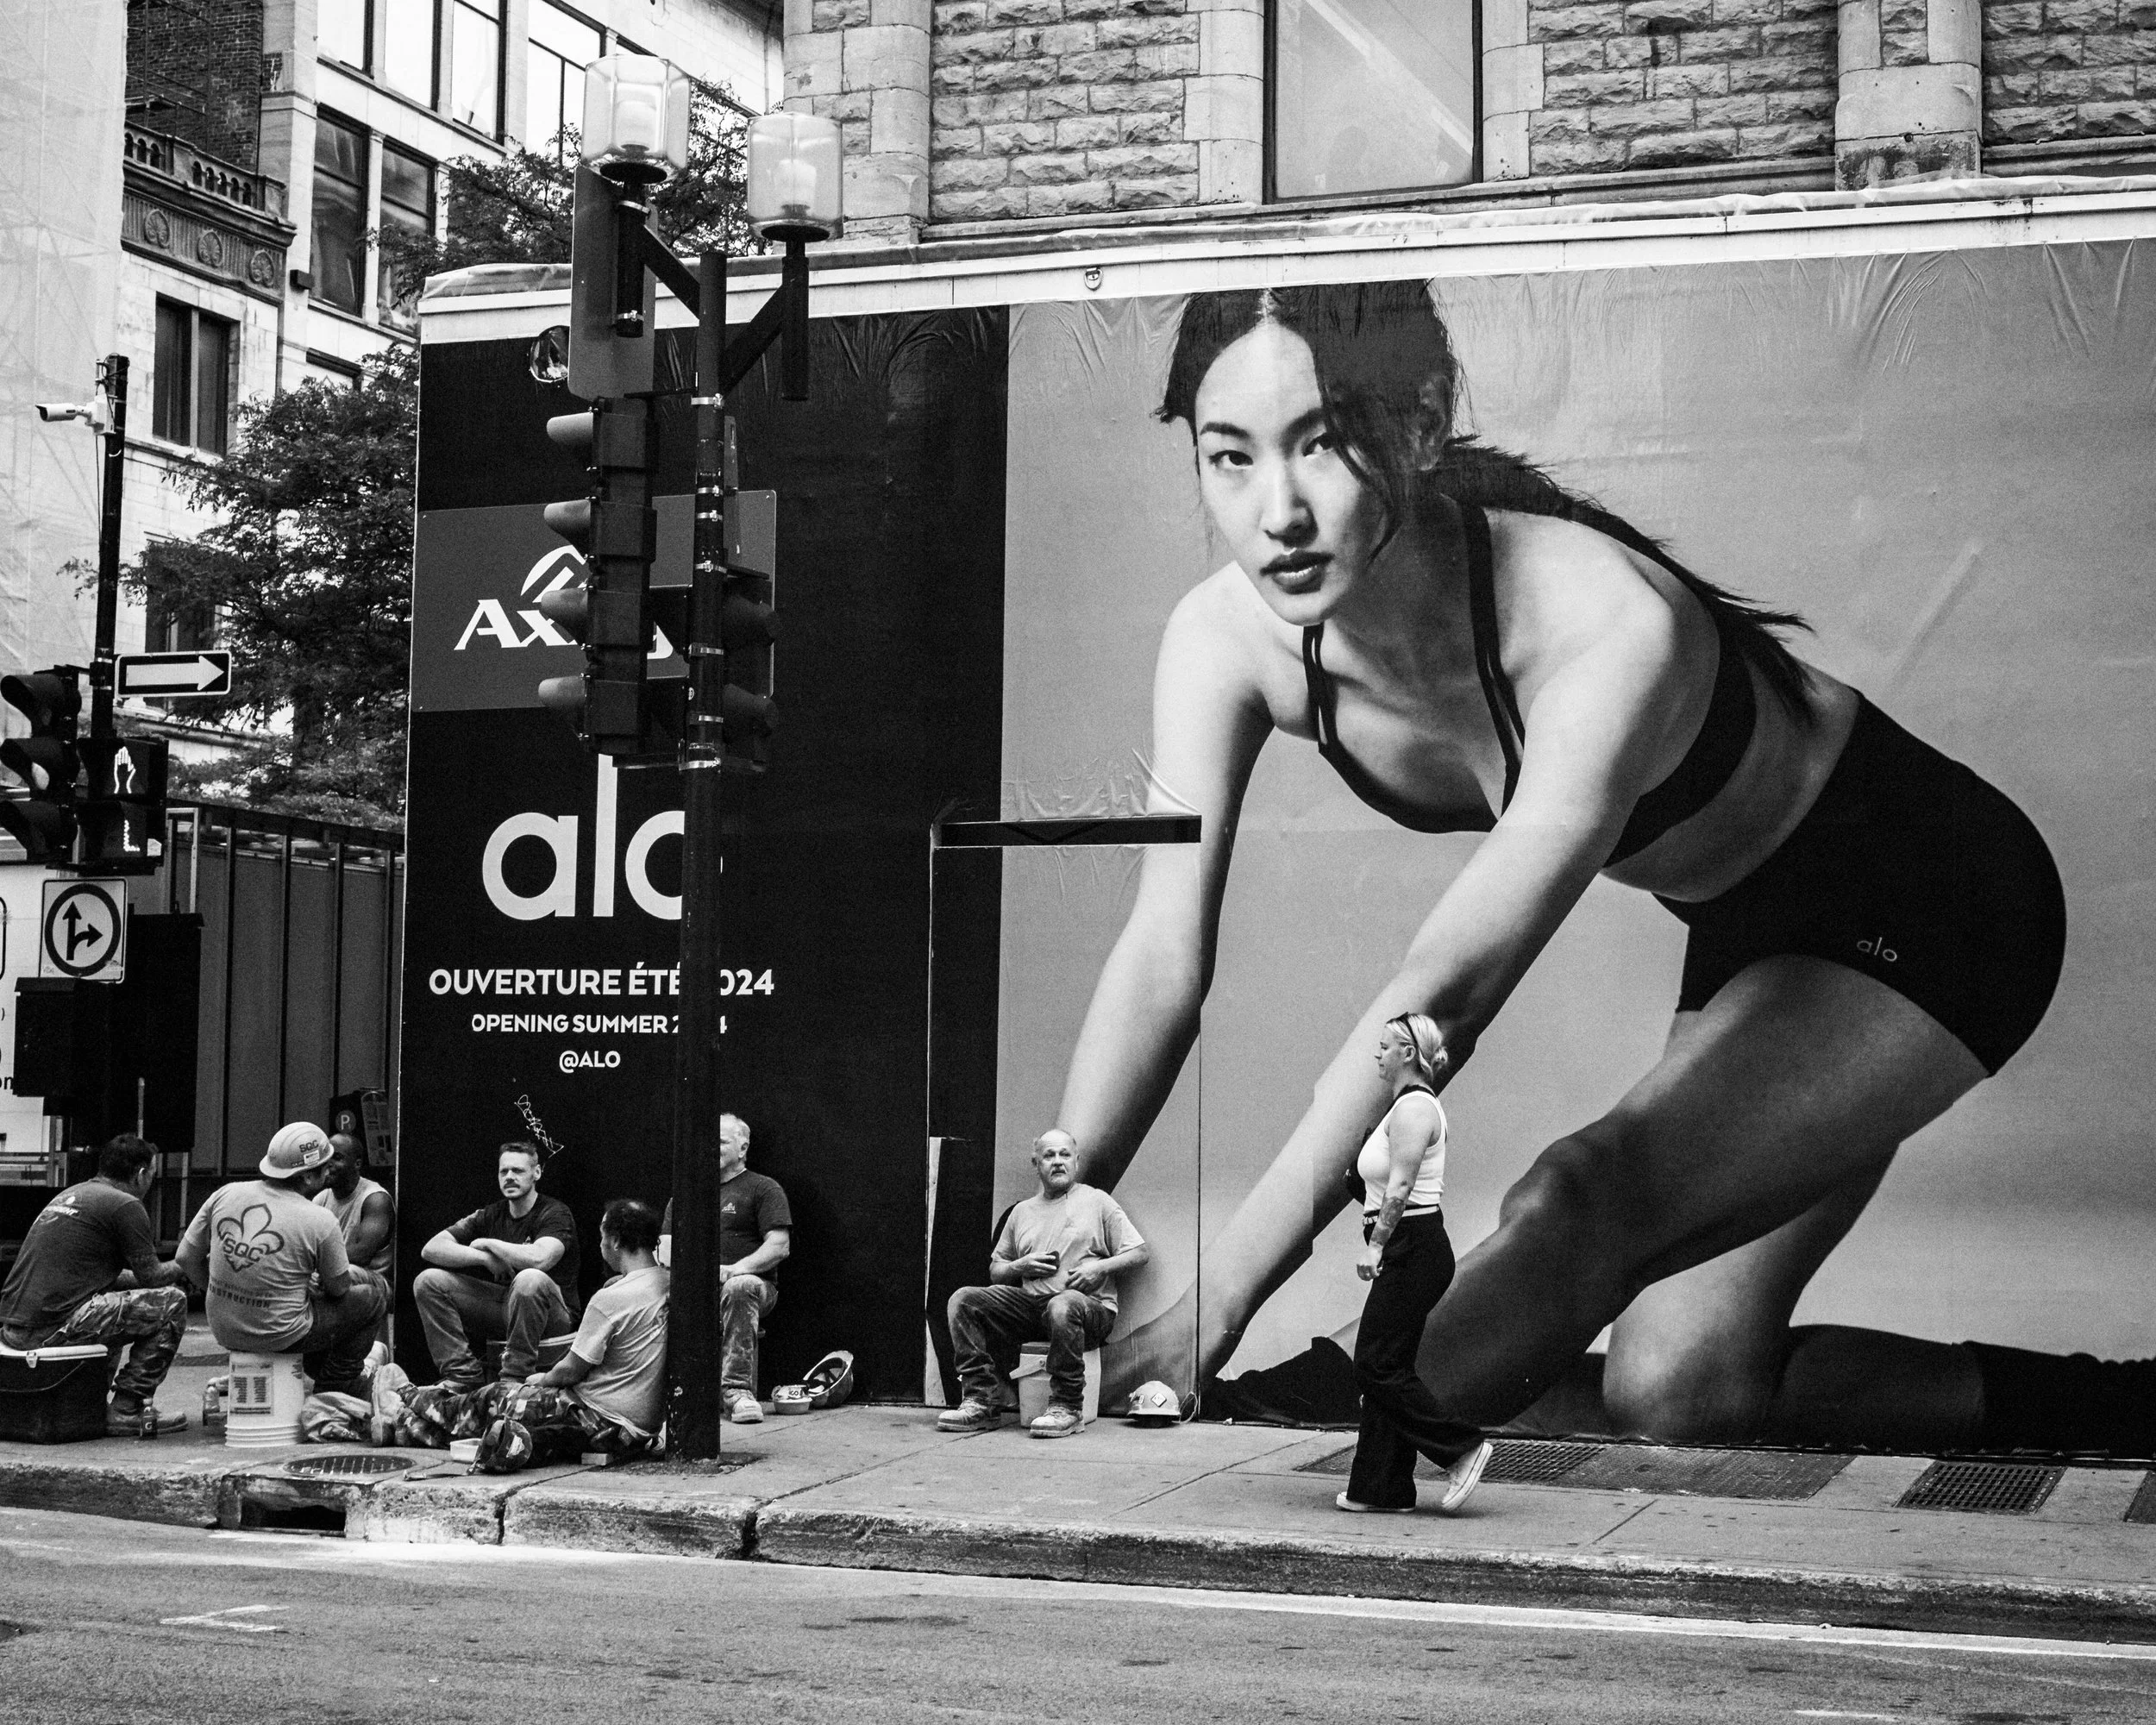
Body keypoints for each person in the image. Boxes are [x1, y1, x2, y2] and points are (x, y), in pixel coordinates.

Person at [1050, 278, 2121, 1458]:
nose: (1279, 513)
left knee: (1576, 1204)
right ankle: (2122, 1408)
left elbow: (1439, 1003)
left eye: (1324, 443)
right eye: (1230, 457)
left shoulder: (1602, 625)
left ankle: (1294, 1414)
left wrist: (1208, 1316)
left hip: (1939, 896)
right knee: (1678, 1391)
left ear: (1419, 423)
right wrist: (1046, 1233)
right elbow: (1161, 956)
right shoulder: (1225, 637)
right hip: (1750, 930)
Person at [1335, 1015, 1491, 1513]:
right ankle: (1381, 1489)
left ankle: (1463, 1450)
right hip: (1408, 1246)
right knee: (1388, 1366)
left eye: (1384, 1047)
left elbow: (1401, 1188)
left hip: (1412, 1247)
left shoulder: (1416, 1108)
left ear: (1407, 1053)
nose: (1377, 1054)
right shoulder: (1401, 1108)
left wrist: (1376, 1245)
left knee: (1375, 1364)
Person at [398, 1199, 668, 1470]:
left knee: (495, 1397)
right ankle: (405, 1425)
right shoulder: (668, 1285)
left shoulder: (611, 1298)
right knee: (492, 1424)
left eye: (602, 1237)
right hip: (634, 1431)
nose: (601, 1246)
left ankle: (404, 1396)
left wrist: (542, 1380)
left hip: (592, 1416)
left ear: (616, 1242)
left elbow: (570, 1371)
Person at [938, 1128, 1150, 1439]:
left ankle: (1067, 1407)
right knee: (963, 1300)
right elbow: (997, 1271)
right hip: (1033, 1310)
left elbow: (1140, 1253)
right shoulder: (1022, 1212)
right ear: (1036, 1163)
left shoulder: (1097, 1201)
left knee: (1062, 1304)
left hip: (1090, 1309)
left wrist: (1099, 1269)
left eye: (1065, 1154)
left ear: (1076, 1161)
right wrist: (1019, 1266)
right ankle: (981, 1401)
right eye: (1049, 1155)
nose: (1058, 1161)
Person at [0, 1134, 191, 1437]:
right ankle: (127, 1409)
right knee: (172, 1303)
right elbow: (152, 1277)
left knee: (116, 1305)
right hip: (52, 1328)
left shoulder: (73, 1194)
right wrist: (191, 1260)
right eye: (152, 1175)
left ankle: (90, 1406)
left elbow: (98, 1276)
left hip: (15, 1329)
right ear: (141, 1174)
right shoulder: (126, 1205)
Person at [176, 1122, 386, 1396]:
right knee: (371, 1298)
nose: (329, 1171)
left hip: (224, 1328)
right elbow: (339, 1289)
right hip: (283, 1335)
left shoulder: (226, 1193)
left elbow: (185, 1257)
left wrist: (228, 1294)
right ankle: (337, 1385)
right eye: (325, 1166)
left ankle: (311, 1370)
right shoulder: (320, 1219)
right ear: (308, 1177)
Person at [414, 1140, 580, 1388]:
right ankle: (462, 1375)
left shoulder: (555, 1212)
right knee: (428, 1281)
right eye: (504, 1171)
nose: (509, 1177)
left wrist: (489, 1243)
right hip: (506, 1306)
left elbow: (541, 1258)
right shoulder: (491, 1214)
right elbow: (432, 1248)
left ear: (536, 1173)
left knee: (529, 1278)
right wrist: (484, 1257)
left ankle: (513, 1379)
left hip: (554, 1315)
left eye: (518, 1170)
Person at [661, 1113, 790, 1426]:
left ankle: (737, 1393)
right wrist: (694, 1277)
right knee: (627, 1286)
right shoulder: (685, 1195)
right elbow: (665, 1248)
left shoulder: (763, 1188)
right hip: (693, 1287)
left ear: (743, 1148)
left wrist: (735, 1270)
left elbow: (779, 1246)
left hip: (753, 1288)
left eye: (719, 1141)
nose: (710, 1147)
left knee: (739, 1286)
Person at [315, 1132, 394, 1276]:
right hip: (333, 1272)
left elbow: (362, 1254)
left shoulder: (375, 1199)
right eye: (326, 1158)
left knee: (345, 1272)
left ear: (357, 1164)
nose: (328, 1164)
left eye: (337, 1158)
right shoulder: (321, 1199)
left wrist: (315, 1259)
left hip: (371, 1278)